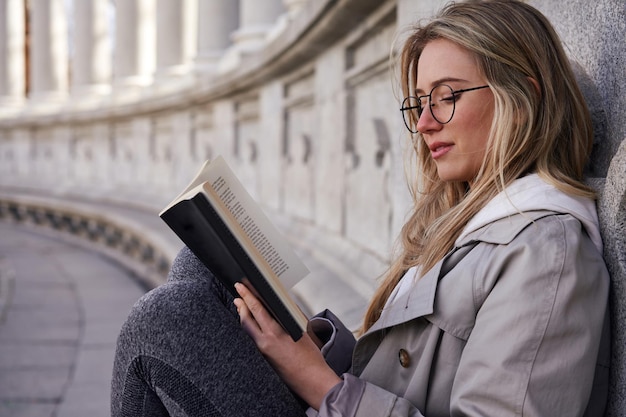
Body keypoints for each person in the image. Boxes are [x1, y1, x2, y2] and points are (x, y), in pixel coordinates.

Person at [111, 0, 611, 416]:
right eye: (418, 103)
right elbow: (404, 377)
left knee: (163, 321)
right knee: (203, 266)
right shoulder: (473, 220)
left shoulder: (547, 252)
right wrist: (313, 346)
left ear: (522, 93)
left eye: (446, 96)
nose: (425, 124)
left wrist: (318, 383)